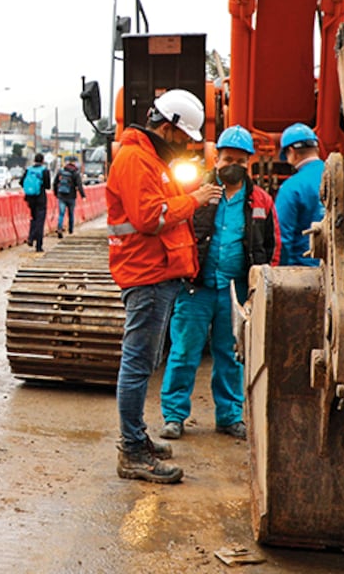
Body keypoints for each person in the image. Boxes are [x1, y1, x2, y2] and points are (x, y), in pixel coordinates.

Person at [107, 88, 218, 484]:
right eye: (185, 137)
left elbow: (161, 204)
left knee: (143, 362)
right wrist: (196, 200)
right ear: (168, 127)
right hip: (147, 274)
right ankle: (132, 450)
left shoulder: (150, 159)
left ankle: (136, 439)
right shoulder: (137, 159)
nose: (186, 144)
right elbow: (151, 217)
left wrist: (187, 196)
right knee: (137, 364)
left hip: (157, 272)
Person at [159, 125, 279, 442]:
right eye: (228, 159)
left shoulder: (260, 201)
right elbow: (173, 227)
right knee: (184, 352)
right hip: (195, 288)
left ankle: (229, 416)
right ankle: (174, 416)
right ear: (216, 160)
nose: (233, 165)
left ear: (249, 162)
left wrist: (260, 288)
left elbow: (272, 246)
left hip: (236, 292)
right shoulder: (197, 193)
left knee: (230, 355)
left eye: (240, 160)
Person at [274, 123, 326, 266]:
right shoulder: (340, 178)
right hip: (339, 270)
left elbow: (282, 238)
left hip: (303, 271)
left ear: (291, 152)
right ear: (316, 148)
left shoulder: (291, 187)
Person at [22, 153, 52, 252]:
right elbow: (48, 186)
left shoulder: (28, 170)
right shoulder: (45, 170)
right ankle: (38, 246)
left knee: (34, 218)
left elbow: (21, 182)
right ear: (43, 160)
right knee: (40, 221)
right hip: (40, 198)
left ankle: (31, 237)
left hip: (30, 198)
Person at [54, 156, 87, 237]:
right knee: (71, 213)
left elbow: (55, 183)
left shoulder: (61, 171)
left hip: (61, 195)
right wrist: (83, 196)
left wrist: (56, 193)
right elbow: (79, 185)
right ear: (74, 162)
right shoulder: (75, 172)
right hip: (71, 196)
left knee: (61, 213)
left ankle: (59, 228)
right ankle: (71, 229)